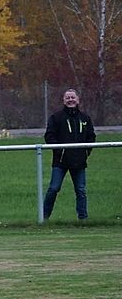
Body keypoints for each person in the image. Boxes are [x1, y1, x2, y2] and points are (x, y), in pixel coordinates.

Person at [43, 88, 96, 220]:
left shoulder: (85, 118)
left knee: (81, 190)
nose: (70, 100)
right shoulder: (56, 118)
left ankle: (83, 219)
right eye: (68, 97)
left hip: (79, 162)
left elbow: (91, 136)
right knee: (54, 188)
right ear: (64, 100)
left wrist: (85, 152)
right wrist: (59, 150)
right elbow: (49, 136)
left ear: (77, 99)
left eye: (73, 97)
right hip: (60, 161)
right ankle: (44, 217)